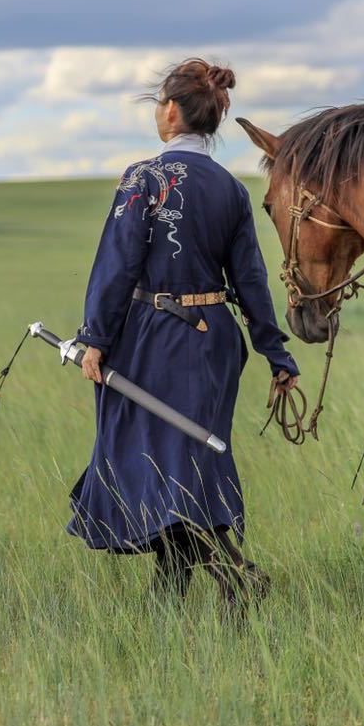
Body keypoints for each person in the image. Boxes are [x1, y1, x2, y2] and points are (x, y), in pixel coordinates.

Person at [68, 58, 300, 608]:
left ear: (170, 111)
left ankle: (236, 579)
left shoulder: (143, 178)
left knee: (161, 460)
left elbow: (117, 265)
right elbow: (250, 279)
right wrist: (274, 351)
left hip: (157, 337)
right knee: (189, 461)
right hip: (216, 340)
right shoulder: (232, 189)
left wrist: (95, 338)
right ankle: (169, 590)